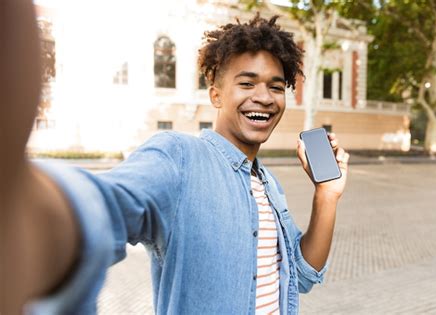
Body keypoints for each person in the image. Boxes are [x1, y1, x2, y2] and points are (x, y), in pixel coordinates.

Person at [1, 1, 349, 314]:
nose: (264, 97)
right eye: (247, 84)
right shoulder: (179, 157)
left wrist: (326, 195)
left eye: (275, 86)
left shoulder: (268, 185)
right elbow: (107, 205)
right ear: (216, 94)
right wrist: (31, 208)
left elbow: (303, 275)